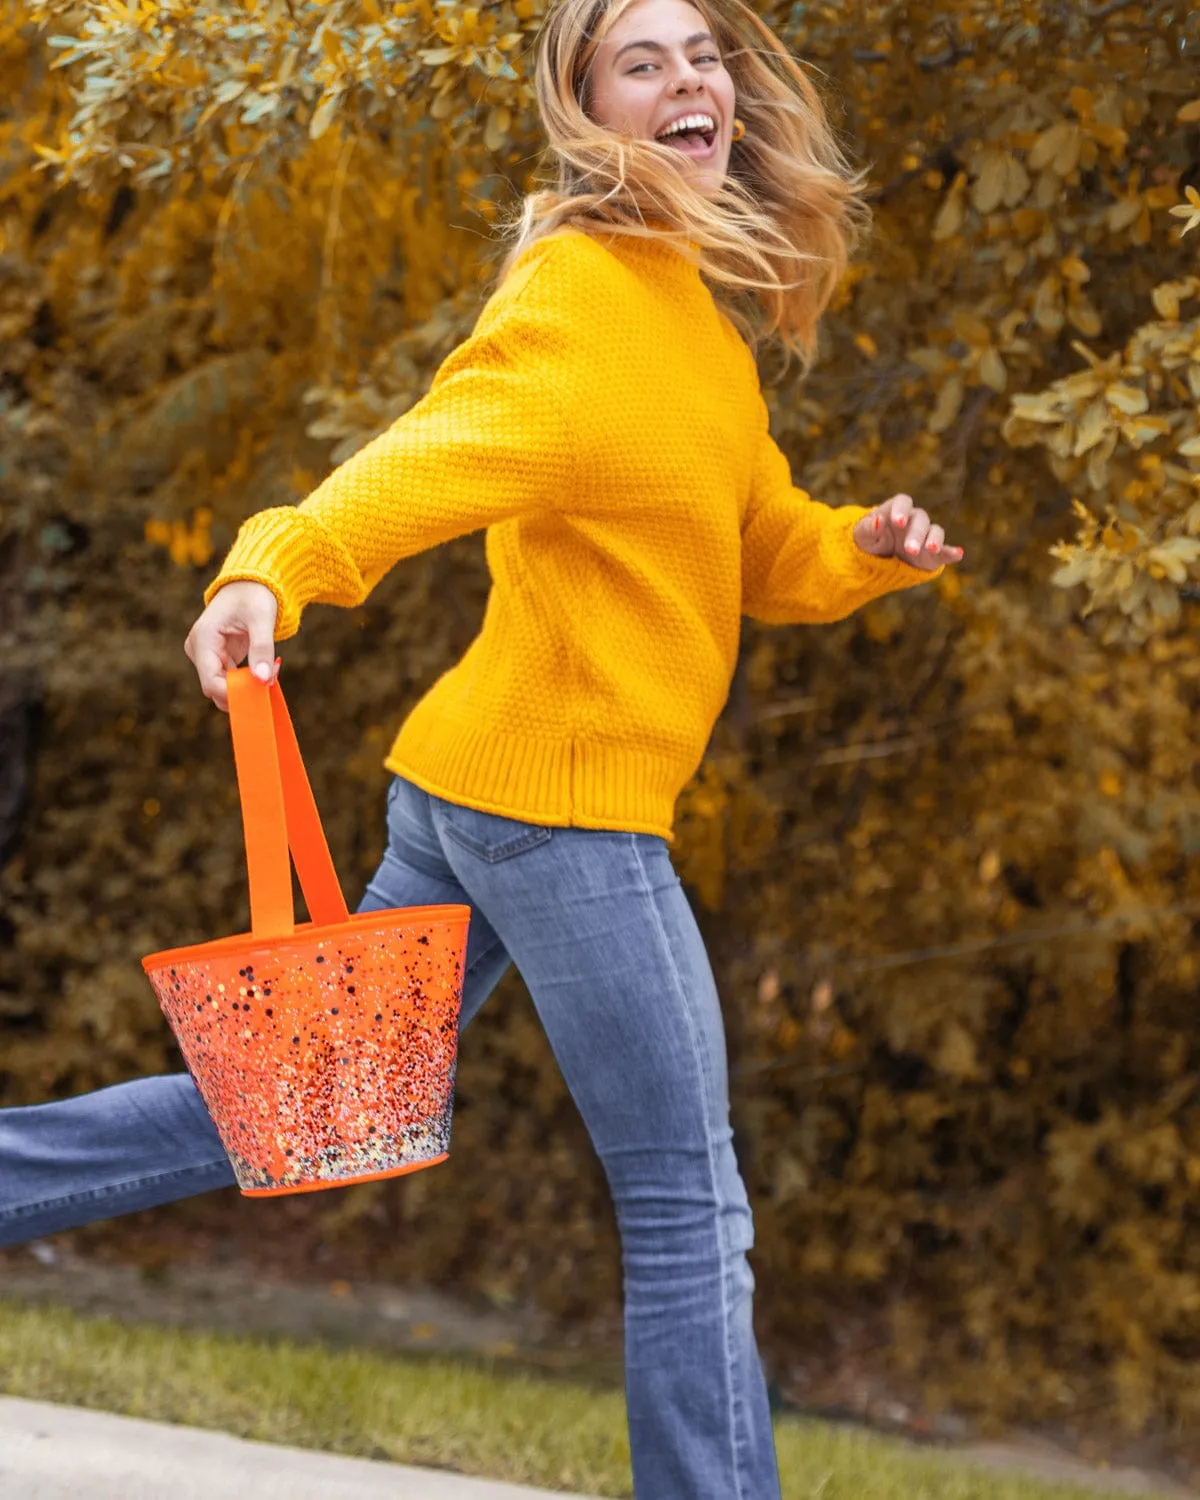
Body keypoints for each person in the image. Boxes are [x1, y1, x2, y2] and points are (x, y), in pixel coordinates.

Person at [0, 0, 964, 1492]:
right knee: (687, 1201)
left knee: (298, 1104)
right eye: (643, 60)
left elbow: (754, 539)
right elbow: (430, 457)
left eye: (703, 52)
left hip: (478, 792)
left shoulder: (695, 321)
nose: (691, 77)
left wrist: (862, 548)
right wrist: (274, 563)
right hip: (559, 809)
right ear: (588, 110)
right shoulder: (581, 297)